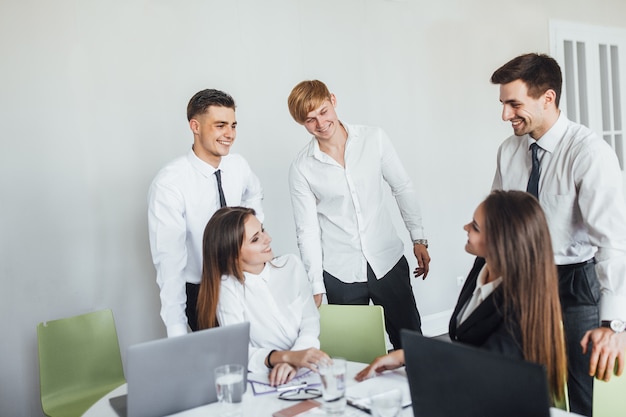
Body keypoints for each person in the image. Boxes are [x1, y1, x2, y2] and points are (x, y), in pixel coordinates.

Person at [490, 53, 626, 416]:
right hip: (522, 281)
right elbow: (498, 218)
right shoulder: (509, 151)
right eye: (503, 104)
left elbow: (611, 242)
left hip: (575, 285)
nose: (506, 115)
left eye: (514, 104)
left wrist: (612, 323)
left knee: (582, 389)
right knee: (526, 379)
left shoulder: (589, 153)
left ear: (547, 98)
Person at [356, 190, 568, 405]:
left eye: (475, 227)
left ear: (501, 242)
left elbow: (482, 367)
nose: (466, 228)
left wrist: (409, 357)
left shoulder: (522, 307)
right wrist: (404, 356)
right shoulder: (481, 267)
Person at [287, 80, 430, 349]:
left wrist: (418, 237)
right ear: (302, 124)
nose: (320, 123)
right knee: (353, 353)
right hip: (341, 272)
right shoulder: (301, 168)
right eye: (310, 119)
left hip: (386, 260)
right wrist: (315, 283)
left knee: (411, 344)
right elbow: (306, 230)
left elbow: (402, 187)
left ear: (333, 100)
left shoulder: (373, 138)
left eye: (323, 111)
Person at [148, 89, 264, 337]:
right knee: (221, 368)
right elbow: (169, 261)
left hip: (242, 281)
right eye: (220, 125)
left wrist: (252, 233)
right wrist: (176, 329)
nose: (230, 134)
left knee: (258, 356)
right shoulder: (170, 183)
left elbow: (255, 193)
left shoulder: (238, 166)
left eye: (233, 125)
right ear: (195, 126)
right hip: (202, 292)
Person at [196, 206, 329, 386]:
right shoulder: (228, 288)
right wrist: (286, 357)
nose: (268, 239)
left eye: (263, 230)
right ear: (232, 254)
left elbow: (310, 322)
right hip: (265, 378)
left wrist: (296, 359)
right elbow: (238, 351)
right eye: (256, 239)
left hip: (307, 369)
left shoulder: (291, 265)